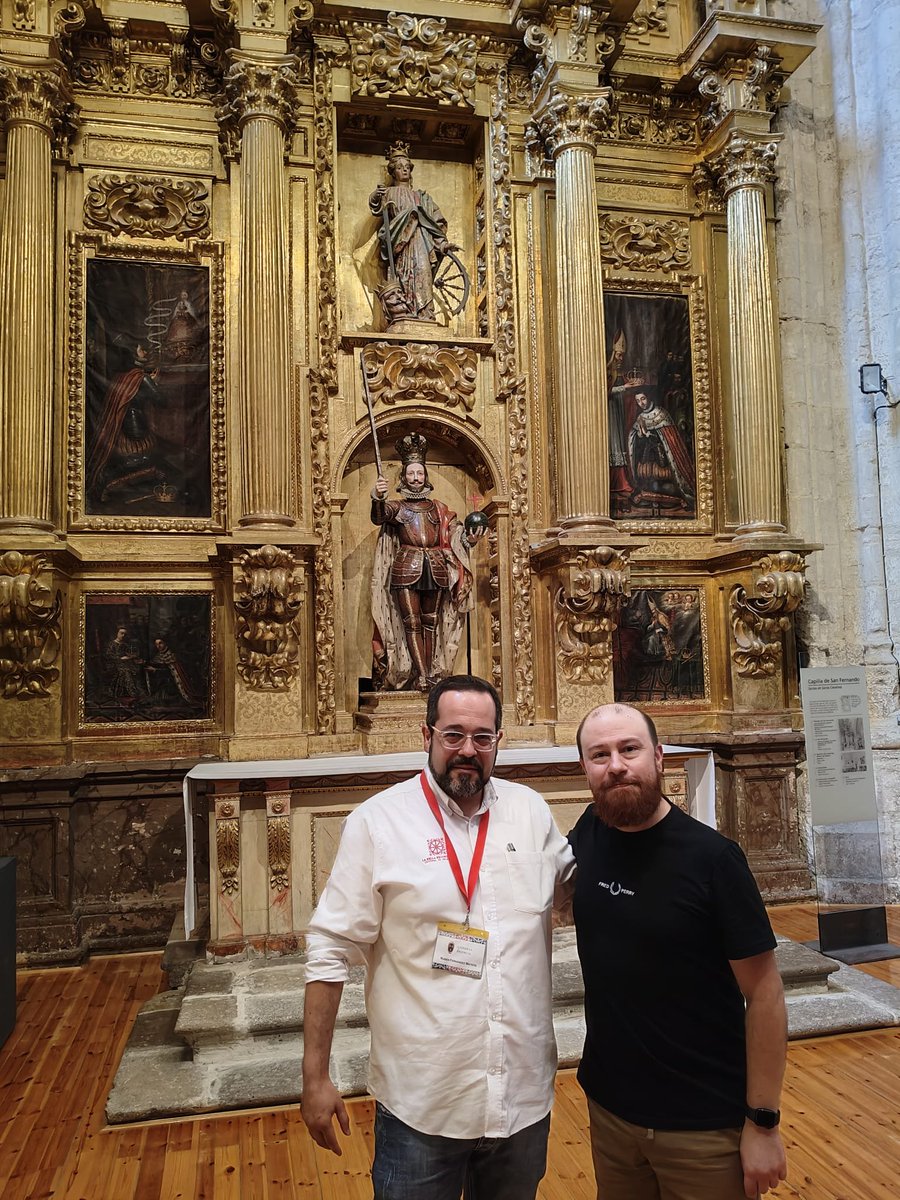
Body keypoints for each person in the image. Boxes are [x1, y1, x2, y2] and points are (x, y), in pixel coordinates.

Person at [301, 675, 575, 1199]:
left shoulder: (530, 812)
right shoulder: (378, 823)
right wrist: (315, 1078)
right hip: (423, 1103)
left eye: (482, 737)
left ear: (498, 740)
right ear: (427, 735)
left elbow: (576, 896)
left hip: (521, 1097)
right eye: (453, 735)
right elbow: (329, 950)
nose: (467, 750)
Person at [569, 702, 788, 1200]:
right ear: (584, 767)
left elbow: (765, 993)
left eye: (629, 749)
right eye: (600, 754)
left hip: (702, 1125)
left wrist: (763, 1122)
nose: (616, 765)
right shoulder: (589, 832)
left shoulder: (713, 860)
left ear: (659, 756)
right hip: (610, 1112)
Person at [370, 432, 482, 691]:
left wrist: (469, 539)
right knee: (412, 622)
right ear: (403, 477)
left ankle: (431, 672)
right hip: (406, 566)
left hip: (436, 566)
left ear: (426, 476)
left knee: (431, 621)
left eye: (419, 473)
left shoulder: (438, 509)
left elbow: (455, 534)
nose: (416, 478)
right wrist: (378, 497)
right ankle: (421, 674)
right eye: (411, 473)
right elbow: (379, 516)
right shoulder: (398, 507)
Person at [369, 142, 459, 323]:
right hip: (401, 244)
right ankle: (406, 311)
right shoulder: (389, 193)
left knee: (423, 273)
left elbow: (436, 222)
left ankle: (425, 313)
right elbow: (376, 207)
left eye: (407, 167)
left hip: (421, 242)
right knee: (403, 276)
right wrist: (376, 196)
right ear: (393, 171)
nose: (404, 170)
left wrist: (442, 244)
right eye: (400, 167)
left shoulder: (422, 197)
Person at [627, 390, 696, 510]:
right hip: (647, 459)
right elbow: (636, 442)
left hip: (664, 459)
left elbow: (669, 439)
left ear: (648, 397)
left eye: (643, 399)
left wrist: (649, 434)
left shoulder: (661, 413)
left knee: (667, 484)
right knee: (646, 482)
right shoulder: (640, 417)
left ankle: (672, 498)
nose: (641, 403)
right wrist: (640, 435)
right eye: (638, 401)